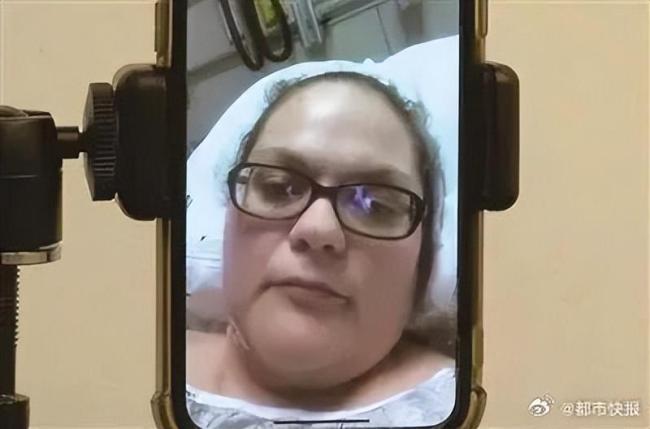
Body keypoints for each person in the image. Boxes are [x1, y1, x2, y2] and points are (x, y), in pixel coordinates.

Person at [186, 71, 456, 428]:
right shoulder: (136, 357)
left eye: (374, 205)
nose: (318, 229)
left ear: (423, 264)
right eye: (279, 188)